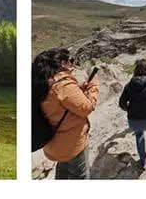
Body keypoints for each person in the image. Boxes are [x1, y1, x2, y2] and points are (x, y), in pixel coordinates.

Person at [33, 48, 100, 180]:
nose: (73, 64)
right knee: (80, 176)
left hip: (54, 142)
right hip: (72, 143)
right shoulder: (62, 85)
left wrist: (78, 91)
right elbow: (87, 107)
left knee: (63, 171)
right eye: (71, 60)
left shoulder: (44, 81)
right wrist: (94, 85)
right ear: (62, 63)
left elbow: (58, 102)